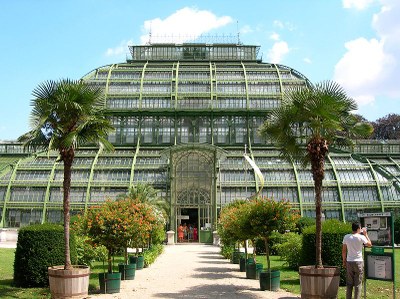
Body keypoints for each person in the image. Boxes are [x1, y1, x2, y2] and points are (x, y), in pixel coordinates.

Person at [342, 221, 372, 299]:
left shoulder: (346, 237)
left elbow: (344, 251)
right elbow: (370, 244)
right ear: (359, 228)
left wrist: (344, 261)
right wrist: (365, 234)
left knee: (349, 284)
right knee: (358, 285)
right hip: (359, 262)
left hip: (349, 261)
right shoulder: (361, 237)